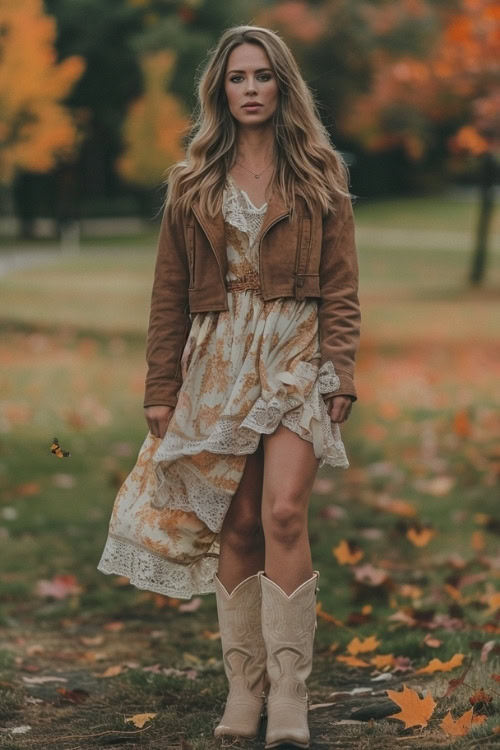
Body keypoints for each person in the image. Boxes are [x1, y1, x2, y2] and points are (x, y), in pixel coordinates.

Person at [97, 24, 361, 749]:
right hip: (219, 360)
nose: (251, 89)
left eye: (263, 76)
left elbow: (341, 287)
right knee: (239, 525)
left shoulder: (319, 173)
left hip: (295, 353)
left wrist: (340, 367)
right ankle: (245, 687)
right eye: (238, 77)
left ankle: (291, 696)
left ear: (283, 86)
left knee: (283, 513)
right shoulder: (192, 183)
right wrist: (161, 384)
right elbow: (168, 294)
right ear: (221, 89)